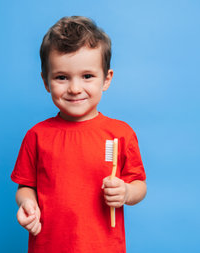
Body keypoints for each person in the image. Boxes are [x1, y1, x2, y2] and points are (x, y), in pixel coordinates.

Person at [11, 16, 147, 252]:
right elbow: (25, 186)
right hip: (48, 246)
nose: (74, 88)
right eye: (62, 77)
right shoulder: (37, 135)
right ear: (46, 81)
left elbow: (139, 185)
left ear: (106, 79)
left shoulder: (120, 133)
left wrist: (126, 192)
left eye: (87, 76)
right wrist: (27, 203)